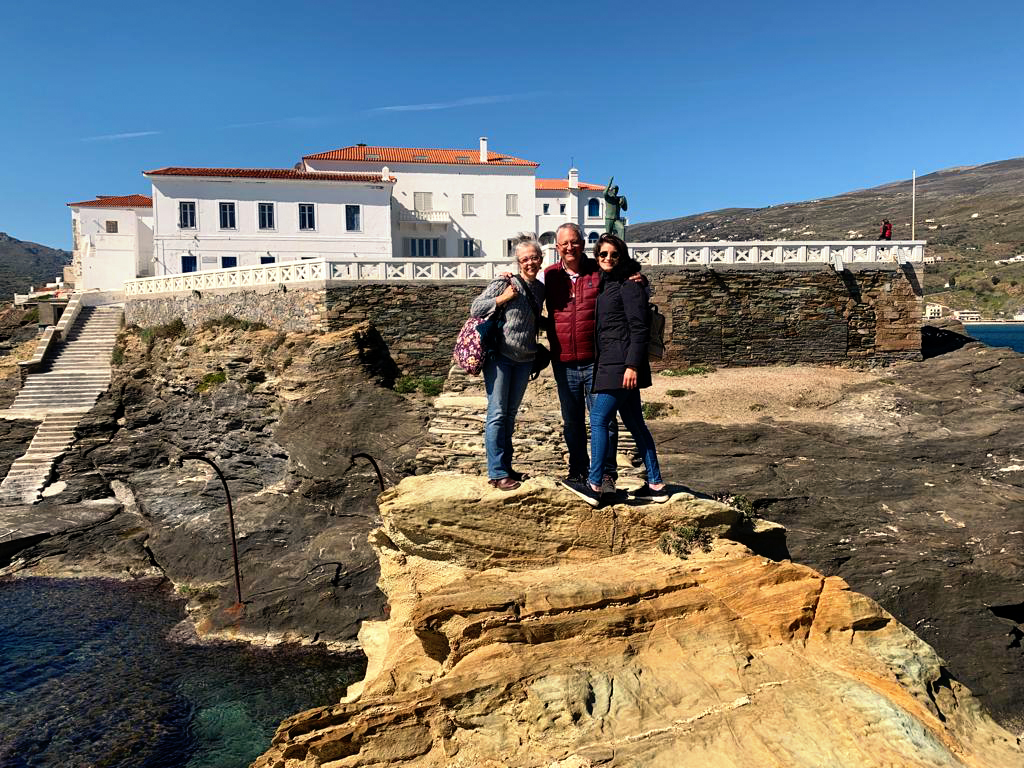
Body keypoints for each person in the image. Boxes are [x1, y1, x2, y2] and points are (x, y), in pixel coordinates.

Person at [561, 233, 668, 507]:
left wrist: (632, 365)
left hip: (620, 366)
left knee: (598, 418)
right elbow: (575, 262)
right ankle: (656, 484)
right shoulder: (607, 282)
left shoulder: (628, 285)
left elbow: (639, 327)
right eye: (603, 254)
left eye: (614, 254)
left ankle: (594, 484)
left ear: (623, 256)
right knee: (635, 424)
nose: (608, 258)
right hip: (611, 364)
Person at [544, 223, 620, 493]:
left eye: (574, 241)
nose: (569, 247)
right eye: (564, 243)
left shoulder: (598, 271)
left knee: (605, 420)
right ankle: (578, 470)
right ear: (557, 247)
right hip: (563, 361)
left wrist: (638, 276)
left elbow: (623, 279)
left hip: (596, 360)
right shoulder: (549, 275)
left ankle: (607, 475)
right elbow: (528, 291)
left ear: (583, 243)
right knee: (572, 420)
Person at [470, 236, 546, 491]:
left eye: (534, 258)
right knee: (497, 414)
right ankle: (497, 472)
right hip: (500, 358)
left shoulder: (539, 289)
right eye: (524, 259)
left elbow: (531, 319)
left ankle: (507, 467)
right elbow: (476, 308)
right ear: (518, 262)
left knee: (510, 416)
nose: (530, 263)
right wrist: (502, 298)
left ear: (541, 259)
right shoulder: (505, 282)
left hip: (524, 360)